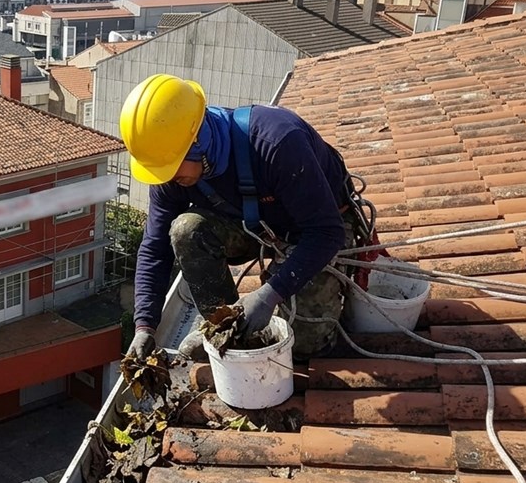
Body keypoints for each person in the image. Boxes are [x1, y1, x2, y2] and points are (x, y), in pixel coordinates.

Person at [121, 73, 363, 362]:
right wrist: (145, 325)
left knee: (304, 347)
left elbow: (326, 232)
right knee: (186, 230)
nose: (168, 177)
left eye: (172, 166)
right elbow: (155, 247)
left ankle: (295, 330)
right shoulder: (171, 172)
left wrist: (270, 294)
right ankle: (224, 328)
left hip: (315, 229)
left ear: (198, 140)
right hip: (257, 226)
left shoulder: (276, 143)